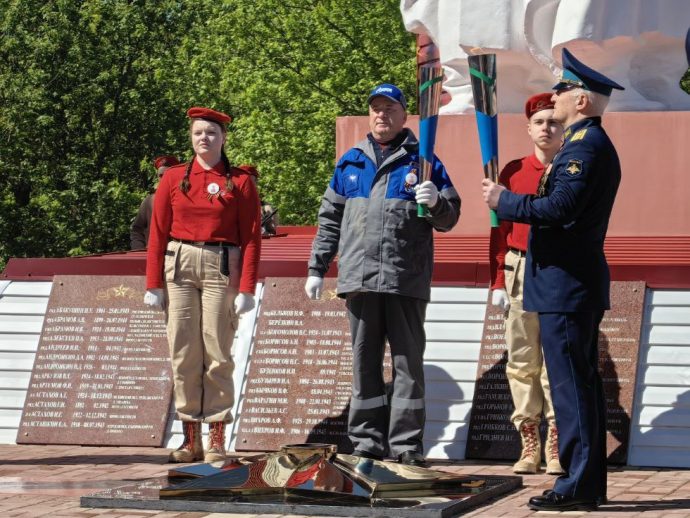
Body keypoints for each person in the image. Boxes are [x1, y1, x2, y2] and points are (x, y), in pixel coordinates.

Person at [482, 48, 623, 511]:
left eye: (563, 90)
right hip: (567, 282)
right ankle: (587, 483)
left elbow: (560, 209)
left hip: (566, 283)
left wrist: (505, 200)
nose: (556, 96)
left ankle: (576, 485)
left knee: (571, 389)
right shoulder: (582, 144)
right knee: (578, 386)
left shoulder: (583, 148)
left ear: (580, 100)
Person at [304, 83, 461, 467]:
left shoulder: (424, 161)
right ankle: (367, 442)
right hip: (359, 279)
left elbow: (450, 217)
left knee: (408, 366)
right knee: (365, 365)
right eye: (376, 108)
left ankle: (406, 445)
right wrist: (317, 267)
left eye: (390, 109)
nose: (381, 115)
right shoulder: (350, 162)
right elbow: (330, 219)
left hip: (405, 278)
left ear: (404, 115)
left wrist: (436, 203)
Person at [143, 107, 262, 464]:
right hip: (179, 264)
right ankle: (190, 439)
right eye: (198, 133)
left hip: (221, 265)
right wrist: (153, 283)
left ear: (223, 138)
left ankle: (216, 439)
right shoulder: (173, 178)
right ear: (191, 137)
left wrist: (247, 288)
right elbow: (157, 232)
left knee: (217, 352)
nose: (204, 138)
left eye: (211, 132)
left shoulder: (240, 181)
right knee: (183, 353)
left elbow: (252, 237)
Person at [489, 93, 564, 475]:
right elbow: (499, 230)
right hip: (519, 268)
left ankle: (556, 442)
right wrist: (497, 281)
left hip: (557, 270)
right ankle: (529, 441)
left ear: (563, 128)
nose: (546, 128)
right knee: (521, 360)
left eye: (553, 121)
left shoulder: (572, 169)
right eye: (539, 122)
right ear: (529, 128)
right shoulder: (514, 172)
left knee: (554, 362)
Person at [130, 155, 180, 249]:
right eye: (161, 175)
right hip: (152, 254)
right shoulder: (150, 201)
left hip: (178, 255)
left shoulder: (185, 201)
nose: (163, 178)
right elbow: (137, 230)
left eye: (167, 175)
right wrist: (139, 250)